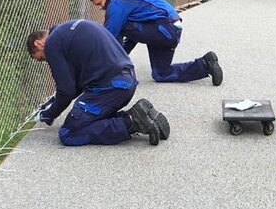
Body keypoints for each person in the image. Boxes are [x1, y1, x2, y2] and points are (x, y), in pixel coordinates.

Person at [26, 19, 170, 146]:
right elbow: (74, 85)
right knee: (91, 119)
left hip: (109, 86)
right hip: (125, 81)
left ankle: (131, 122)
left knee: (69, 133)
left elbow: (67, 90)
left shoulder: (52, 43)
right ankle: (144, 116)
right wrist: (51, 104)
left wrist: (49, 114)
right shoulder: (70, 29)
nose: (46, 60)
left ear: (38, 43)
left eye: (41, 58)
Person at [88, 0, 223, 86]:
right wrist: (121, 57)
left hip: (164, 28)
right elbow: (131, 38)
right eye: (97, 6)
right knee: (161, 74)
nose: (100, 7)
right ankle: (205, 64)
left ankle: (115, 72)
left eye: (99, 3)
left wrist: (102, 69)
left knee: (119, 27)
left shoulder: (116, 2)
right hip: (169, 29)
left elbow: (108, 38)